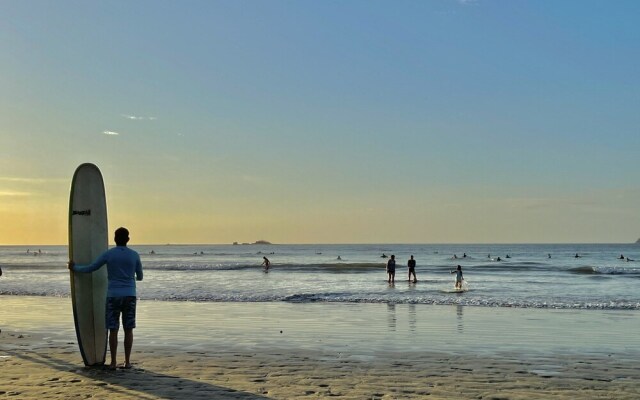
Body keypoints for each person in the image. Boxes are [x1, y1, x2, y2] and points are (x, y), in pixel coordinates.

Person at [68, 227, 143, 370]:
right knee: (128, 329)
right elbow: (140, 277)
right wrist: (129, 277)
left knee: (113, 329)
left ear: (115, 239)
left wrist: (74, 267)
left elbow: (91, 267)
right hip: (129, 295)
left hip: (113, 296)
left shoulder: (109, 255)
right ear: (128, 239)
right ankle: (127, 362)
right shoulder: (134, 255)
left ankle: (113, 362)